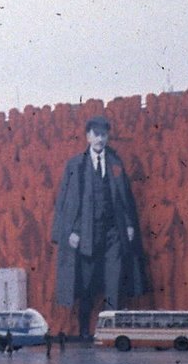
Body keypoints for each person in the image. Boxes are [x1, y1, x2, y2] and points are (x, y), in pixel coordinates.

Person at [51, 116, 150, 338]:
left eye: (103, 134)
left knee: (114, 281)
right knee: (85, 283)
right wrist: (71, 232)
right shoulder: (75, 164)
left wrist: (129, 225)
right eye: (95, 134)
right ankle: (85, 330)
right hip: (86, 233)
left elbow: (125, 196)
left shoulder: (115, 162)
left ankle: (111, 331)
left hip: (113, 233)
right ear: (87, 136)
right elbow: (66, 201)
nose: (99, 138)